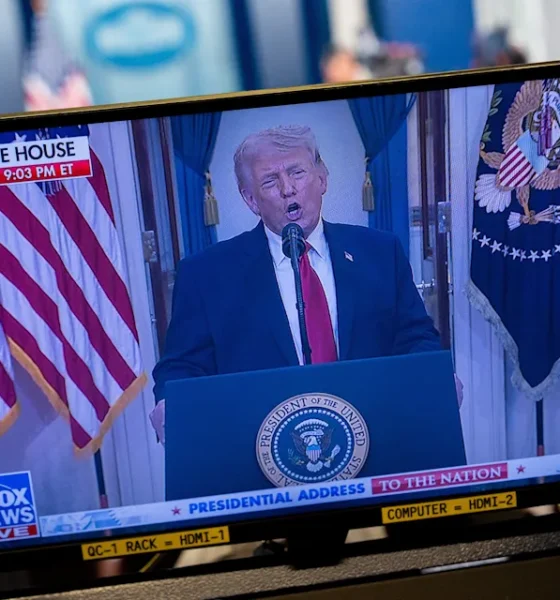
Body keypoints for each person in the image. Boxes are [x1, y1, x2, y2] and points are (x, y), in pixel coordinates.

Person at [150, 125, 443, 440]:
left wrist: (432, 374)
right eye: (270, 181)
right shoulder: (206, 275)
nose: (287, 189)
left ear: (322, 179)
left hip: (375, 431)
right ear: (250, 199)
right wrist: (170, 401)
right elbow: (182, 366)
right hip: (257, 444)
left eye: (297, 173)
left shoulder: (380, 252)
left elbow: (416, 336)